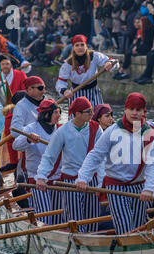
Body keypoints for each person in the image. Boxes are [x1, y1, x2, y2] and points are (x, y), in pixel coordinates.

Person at [76, 93, 154, 235]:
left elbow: (153, 164)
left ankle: (136, 253)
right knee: (125, 229)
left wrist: (149, 189)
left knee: (139, 228)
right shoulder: (112, 131)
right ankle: (128, 252)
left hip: (139, 187)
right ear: (125, 110)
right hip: (116, 187)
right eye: (131, 109)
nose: (134, 113)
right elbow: (95, 155)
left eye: (138, 110)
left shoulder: (149, 134)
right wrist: (83, 178)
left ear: (143, 112)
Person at [36, 97, 105, 233]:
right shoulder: (62, 131)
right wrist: (41, 177)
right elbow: (49, 156)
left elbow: (101, 159)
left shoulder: (96, 129)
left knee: (92, 219)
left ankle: (89, 243)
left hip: (92, 178)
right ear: (77, 114)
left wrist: (100, 184)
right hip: (70, 180)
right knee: (74, 221)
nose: (92, 114)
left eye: (92, 111)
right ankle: (76, 242)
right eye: (88, 112)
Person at [12, 99, 65, 225]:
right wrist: (28, 139)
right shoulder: (31, 128)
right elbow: (15, 145)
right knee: (44, 214)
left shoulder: (61, 130)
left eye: (59, 112)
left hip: (57, 178)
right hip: (36, 179)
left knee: (58, 215)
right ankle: (43, 238)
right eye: (56, 113)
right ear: (46, 115)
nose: (59, 116)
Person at [55, 34, 118, 110]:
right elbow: (61, 82)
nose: (80, 47)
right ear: (73, 48)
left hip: (93, 93)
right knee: (77, 120)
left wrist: (109, 63)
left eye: (82, 45)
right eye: (77, 45)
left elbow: (113, 61)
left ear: (86, 46)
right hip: (76, 95)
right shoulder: (67, 64)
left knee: (98, 117)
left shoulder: (95, 56)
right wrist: (64, 91)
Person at [0, 53, 28, 171]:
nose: (5, 66)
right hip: (3, 111)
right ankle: (13, 161)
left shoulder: (21, 75)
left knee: (24, 135)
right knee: (8, 132)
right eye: (3, 64)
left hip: (20, 109)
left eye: (7, 64)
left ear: (11, 65)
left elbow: (26, 92)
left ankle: (24, 160)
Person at [7, 76, 46, 172]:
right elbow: (14, 131)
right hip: (32, 153)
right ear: (29, 89)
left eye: (44, 88)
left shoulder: (47, 103)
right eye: (40, 88)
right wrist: (31, 134)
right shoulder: (21, 106)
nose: (44, 91)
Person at [114, 16, 154, 80]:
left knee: (128, 53)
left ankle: (123, 70)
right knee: (128, 52)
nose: (139, 24)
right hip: (141, 47)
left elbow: (146, 43)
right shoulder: (140, 30)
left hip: (146, 48)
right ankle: (123, 70)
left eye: (140, 22)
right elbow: (136, 42)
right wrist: (135, 46)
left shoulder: (148, 30)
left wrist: (137, 48)